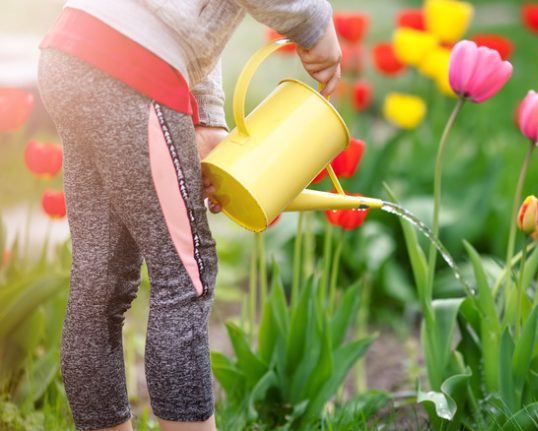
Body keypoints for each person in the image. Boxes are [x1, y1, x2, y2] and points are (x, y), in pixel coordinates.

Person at [36, 1, 341, 430]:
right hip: (132, 66)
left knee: (98, 283)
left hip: (72, 49)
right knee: (184, 277)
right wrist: (315, 23)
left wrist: (208, 115)